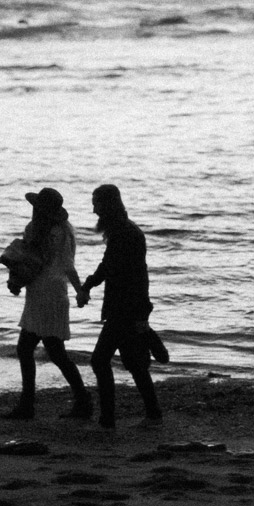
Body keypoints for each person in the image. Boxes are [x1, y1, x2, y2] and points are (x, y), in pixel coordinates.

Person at [81, 184, 163, 431]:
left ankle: (108, 419)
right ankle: (153, 412)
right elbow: (121, 269)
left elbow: (115, 269)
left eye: (96, 203)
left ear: (107, 205)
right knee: (134, 363)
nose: (94, 209)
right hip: (127, 306)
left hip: (124, 308)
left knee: (99, 360)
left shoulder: (124, 234)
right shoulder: (125, 231)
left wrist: (87, 285)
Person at [5, 187, 92, 420]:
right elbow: (67, 265)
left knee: (28, 350)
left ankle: (29, 405)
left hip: (41, 294)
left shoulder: (34, 230)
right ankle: (81, 401)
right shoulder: (64, 232)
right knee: (55, 352)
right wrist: (79, 290)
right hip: (54, 294)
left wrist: (15, 282)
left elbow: (25, 262)